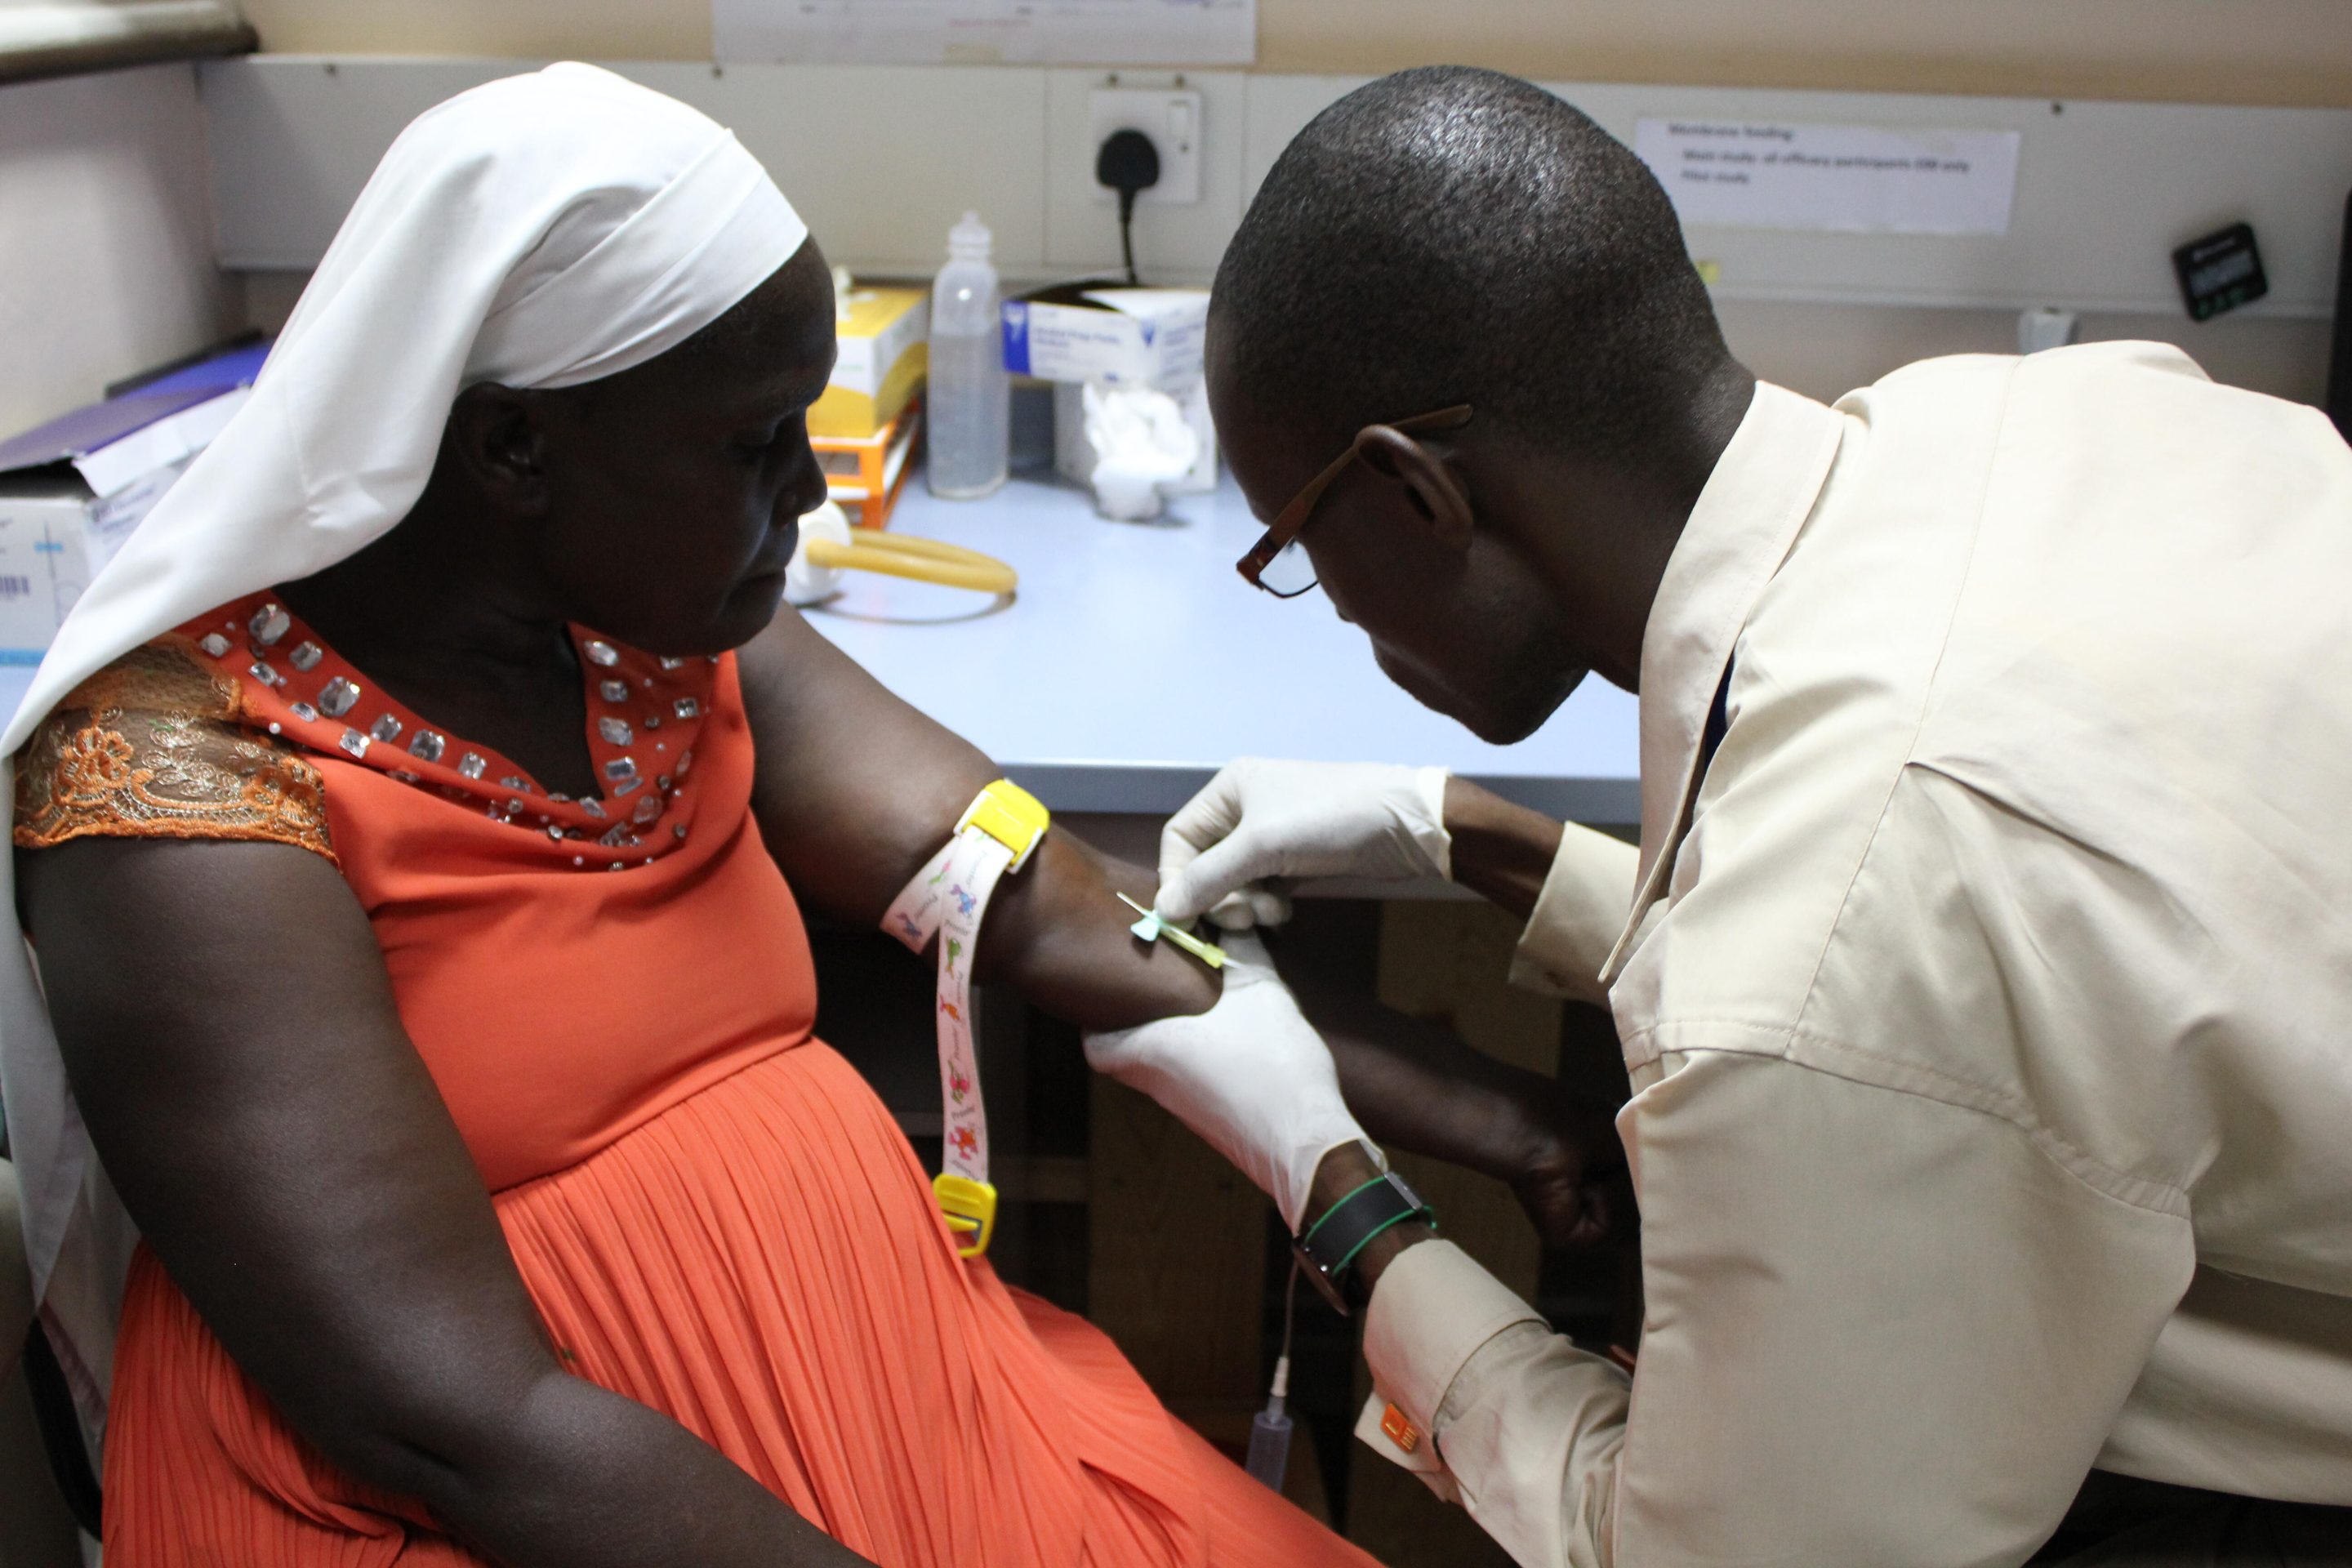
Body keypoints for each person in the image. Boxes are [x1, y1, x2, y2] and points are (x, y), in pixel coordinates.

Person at [0, 65, 1598, 1566]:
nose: (815, 497)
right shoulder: (175, 787)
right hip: (503, 1500)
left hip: (893, 1379)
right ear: (512, 449)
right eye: (754, 446)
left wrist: (1485, 1107)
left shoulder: (654, 620)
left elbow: (1015, 892)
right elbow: (452, 1416)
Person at [1107, 65, 2352, 1568]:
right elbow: (2017, 969)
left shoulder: (1836, 953)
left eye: (1292, 546)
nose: (1315, 600)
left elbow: (1684, 1551)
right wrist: (1467, 834)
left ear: (1412, 493)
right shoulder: (2022, 414)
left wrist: (1321, 1171)